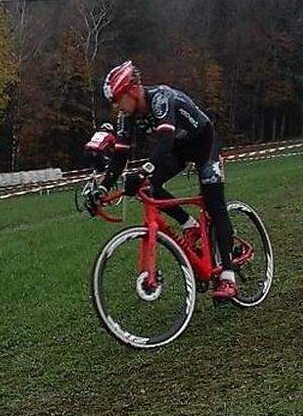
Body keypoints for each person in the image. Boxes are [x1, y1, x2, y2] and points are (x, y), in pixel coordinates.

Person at [95, 60, 239, 300]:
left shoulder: (160, 98)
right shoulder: (126, 117)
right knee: (150, 187)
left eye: (117, 100)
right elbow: (119, 157)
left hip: (204, 144)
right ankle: (189, 225)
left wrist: (142, 171)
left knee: (215, 206)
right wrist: (101, 189)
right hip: (179, 149)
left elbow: (164, 143)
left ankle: (228, 276)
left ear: (131, 90)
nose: (117, 107)